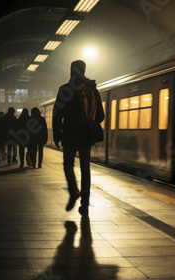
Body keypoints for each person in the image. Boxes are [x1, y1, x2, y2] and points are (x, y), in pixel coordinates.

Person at [53, 60, 105, 217]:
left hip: (69, 134)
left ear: (71, 71)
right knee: (85, 169)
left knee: (68, 164)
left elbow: (57, 115)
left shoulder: (65, 89)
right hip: (87, 136)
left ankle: (73, 191)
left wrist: (57, 135)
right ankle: (85, 205)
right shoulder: (92, 89)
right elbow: (101, 116)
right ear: (84, 70)